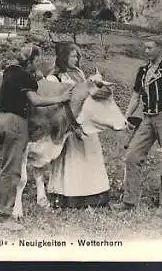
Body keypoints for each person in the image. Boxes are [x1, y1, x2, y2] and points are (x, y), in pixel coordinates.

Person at [0, 44, 72, 231]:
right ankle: (3, 218)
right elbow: (36, 101)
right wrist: (60, 98)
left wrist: (37, 75)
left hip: (2, 119)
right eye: (38, 60)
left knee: (7, 168)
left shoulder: (10, 71)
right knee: (12, 171)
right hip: (16, 122)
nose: (40, 64)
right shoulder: (24, 77)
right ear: (33, 60)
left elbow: (32, 78)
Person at [115, 36, 162, 215]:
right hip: (147, 119)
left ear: (160, 48)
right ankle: (129, 201)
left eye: (149, 48)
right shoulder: (143, 71)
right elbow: (136, 97)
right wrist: (125, 117)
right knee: (132, 156)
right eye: (145, 48)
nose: (146, 51)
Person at [46, 42, 112, 209]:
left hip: (85, 122)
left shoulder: (80, 73)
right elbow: (54, 103)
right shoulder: (55, 78)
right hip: (69, 124)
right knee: (71, 157)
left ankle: (93, 193)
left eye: (77, 56)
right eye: (72, 56)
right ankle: (69, 195)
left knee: (89, 154)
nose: (76, 59)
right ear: (63, 57)